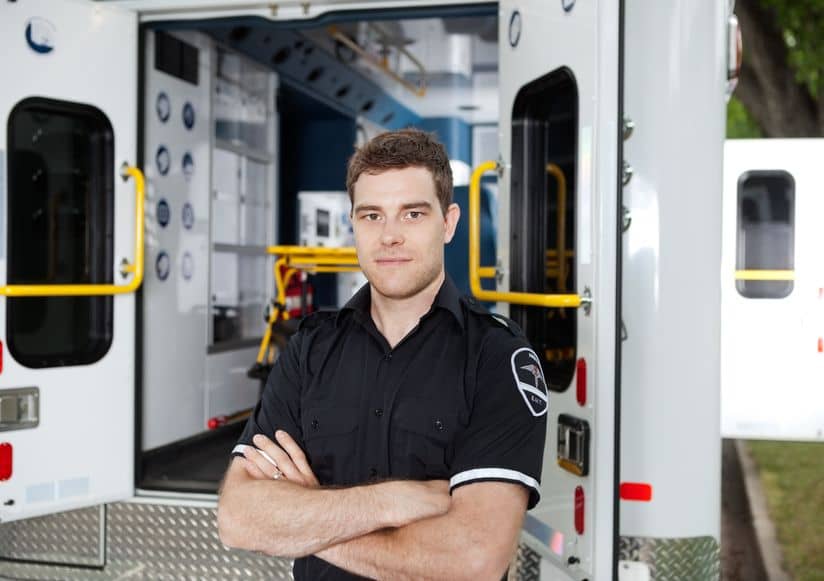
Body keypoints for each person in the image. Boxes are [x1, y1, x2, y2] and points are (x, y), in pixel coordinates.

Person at [217, 129, 548, 580]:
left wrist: (307, 513)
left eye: (412, 214)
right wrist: (393, 500)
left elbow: (473, 562)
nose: (389, 236)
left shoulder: (498, 359)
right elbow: (240, 519)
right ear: (353, 223)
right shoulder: (309, 350)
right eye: (372, 215)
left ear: (448, 223)